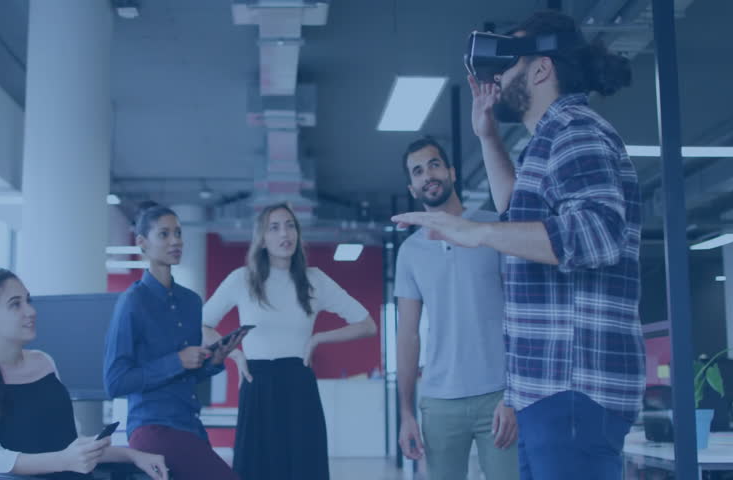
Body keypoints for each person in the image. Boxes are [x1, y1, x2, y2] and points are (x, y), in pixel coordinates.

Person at [393, 10, 645, 480]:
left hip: (573, 385)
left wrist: (476, 231)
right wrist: (487, 135)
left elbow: (598, 232)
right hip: (548, 390)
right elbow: (517, 211)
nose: (498, 78)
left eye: (508, 67)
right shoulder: (545, 143)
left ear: (542, 69)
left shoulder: (576, 131)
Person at [202, 202, 378, 480]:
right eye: (274, 227)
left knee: (303, 470)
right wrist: (234, 354)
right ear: (262, 238)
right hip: (256, 383)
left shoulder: (314, 280)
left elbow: (367, 325)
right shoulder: (242, 280)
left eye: (290, 225)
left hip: (299, 383)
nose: (285, 233)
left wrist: (319, 338)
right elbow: (200, 326)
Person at [0, 268, 167, 480]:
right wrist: (63, 460)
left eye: (28, 301)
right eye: (15, 305)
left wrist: (133, 455)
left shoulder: (44, 361)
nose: (30, 311)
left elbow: (71, 446)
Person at [395, 136, 518, 480]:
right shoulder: (411, 253)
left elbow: (520, 315)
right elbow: (407, 336)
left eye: (434, 164)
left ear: (450, 171)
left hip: (499, 395)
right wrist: (406, 413)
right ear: (412, 186)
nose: (427, 175)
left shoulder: (492, 229)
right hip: (439, 402)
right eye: (417, 171)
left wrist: (514, 393)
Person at [104, 205, 242, 480]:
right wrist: (176, 360)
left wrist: (213, 362)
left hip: (191, 426)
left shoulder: (191, 302)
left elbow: (187, 376)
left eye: (178, 233)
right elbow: (115, 382)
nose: (176, 241)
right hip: (152, 428)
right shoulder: (133, 302)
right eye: (164, 234)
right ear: (142, 243)